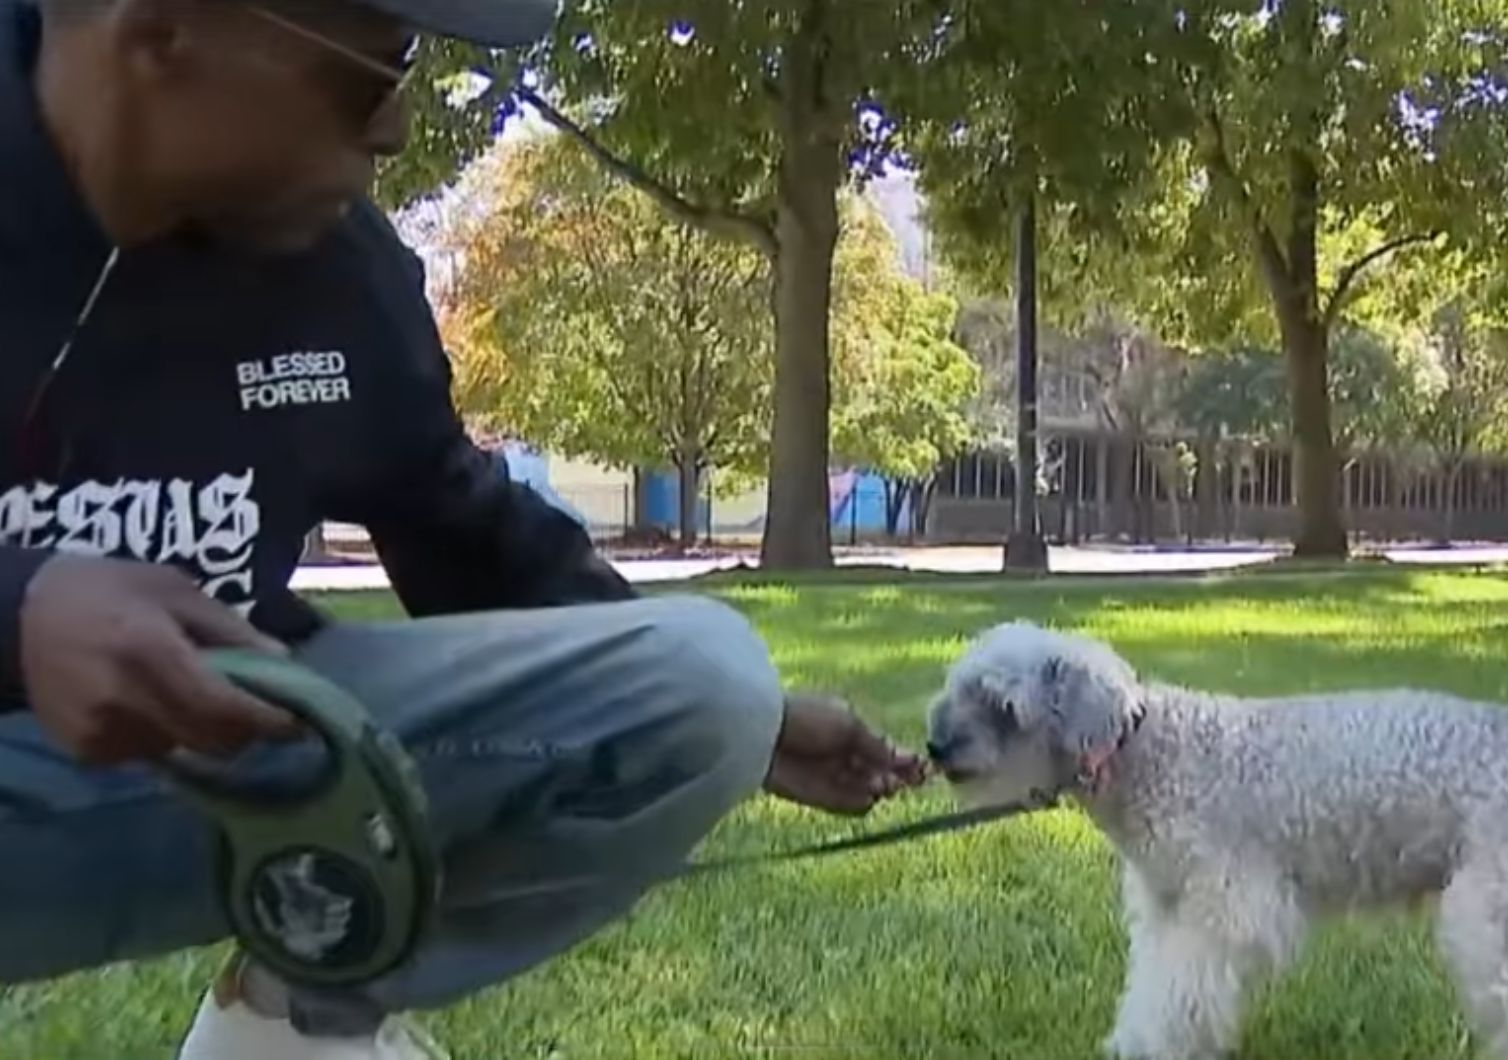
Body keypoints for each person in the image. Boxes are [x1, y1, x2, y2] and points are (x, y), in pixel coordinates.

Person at [0, 2, 929, 1058]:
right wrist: (24, 603)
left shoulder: (341, 270)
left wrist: (748, 724)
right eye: (372, 74)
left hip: (230, 766)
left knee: (702, 680)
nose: (394, 128)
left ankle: (284, 1032)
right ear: (161, 33)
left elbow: (462, 529)